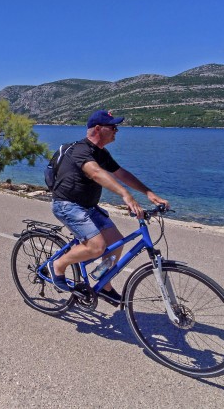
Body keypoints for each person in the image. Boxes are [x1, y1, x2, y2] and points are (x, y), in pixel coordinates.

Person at [48, 109, 169, 305]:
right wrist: (125, 195)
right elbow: (95, 173)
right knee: (97, 247)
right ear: (98, 129)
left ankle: (104, 285)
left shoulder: (101, 153)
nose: (116, 131)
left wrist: (149, 193)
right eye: (113, 127)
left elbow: (121, 173)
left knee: (117, 244)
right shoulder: (81, 151)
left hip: (88, 207)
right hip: (67, 205)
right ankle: (58, 265)